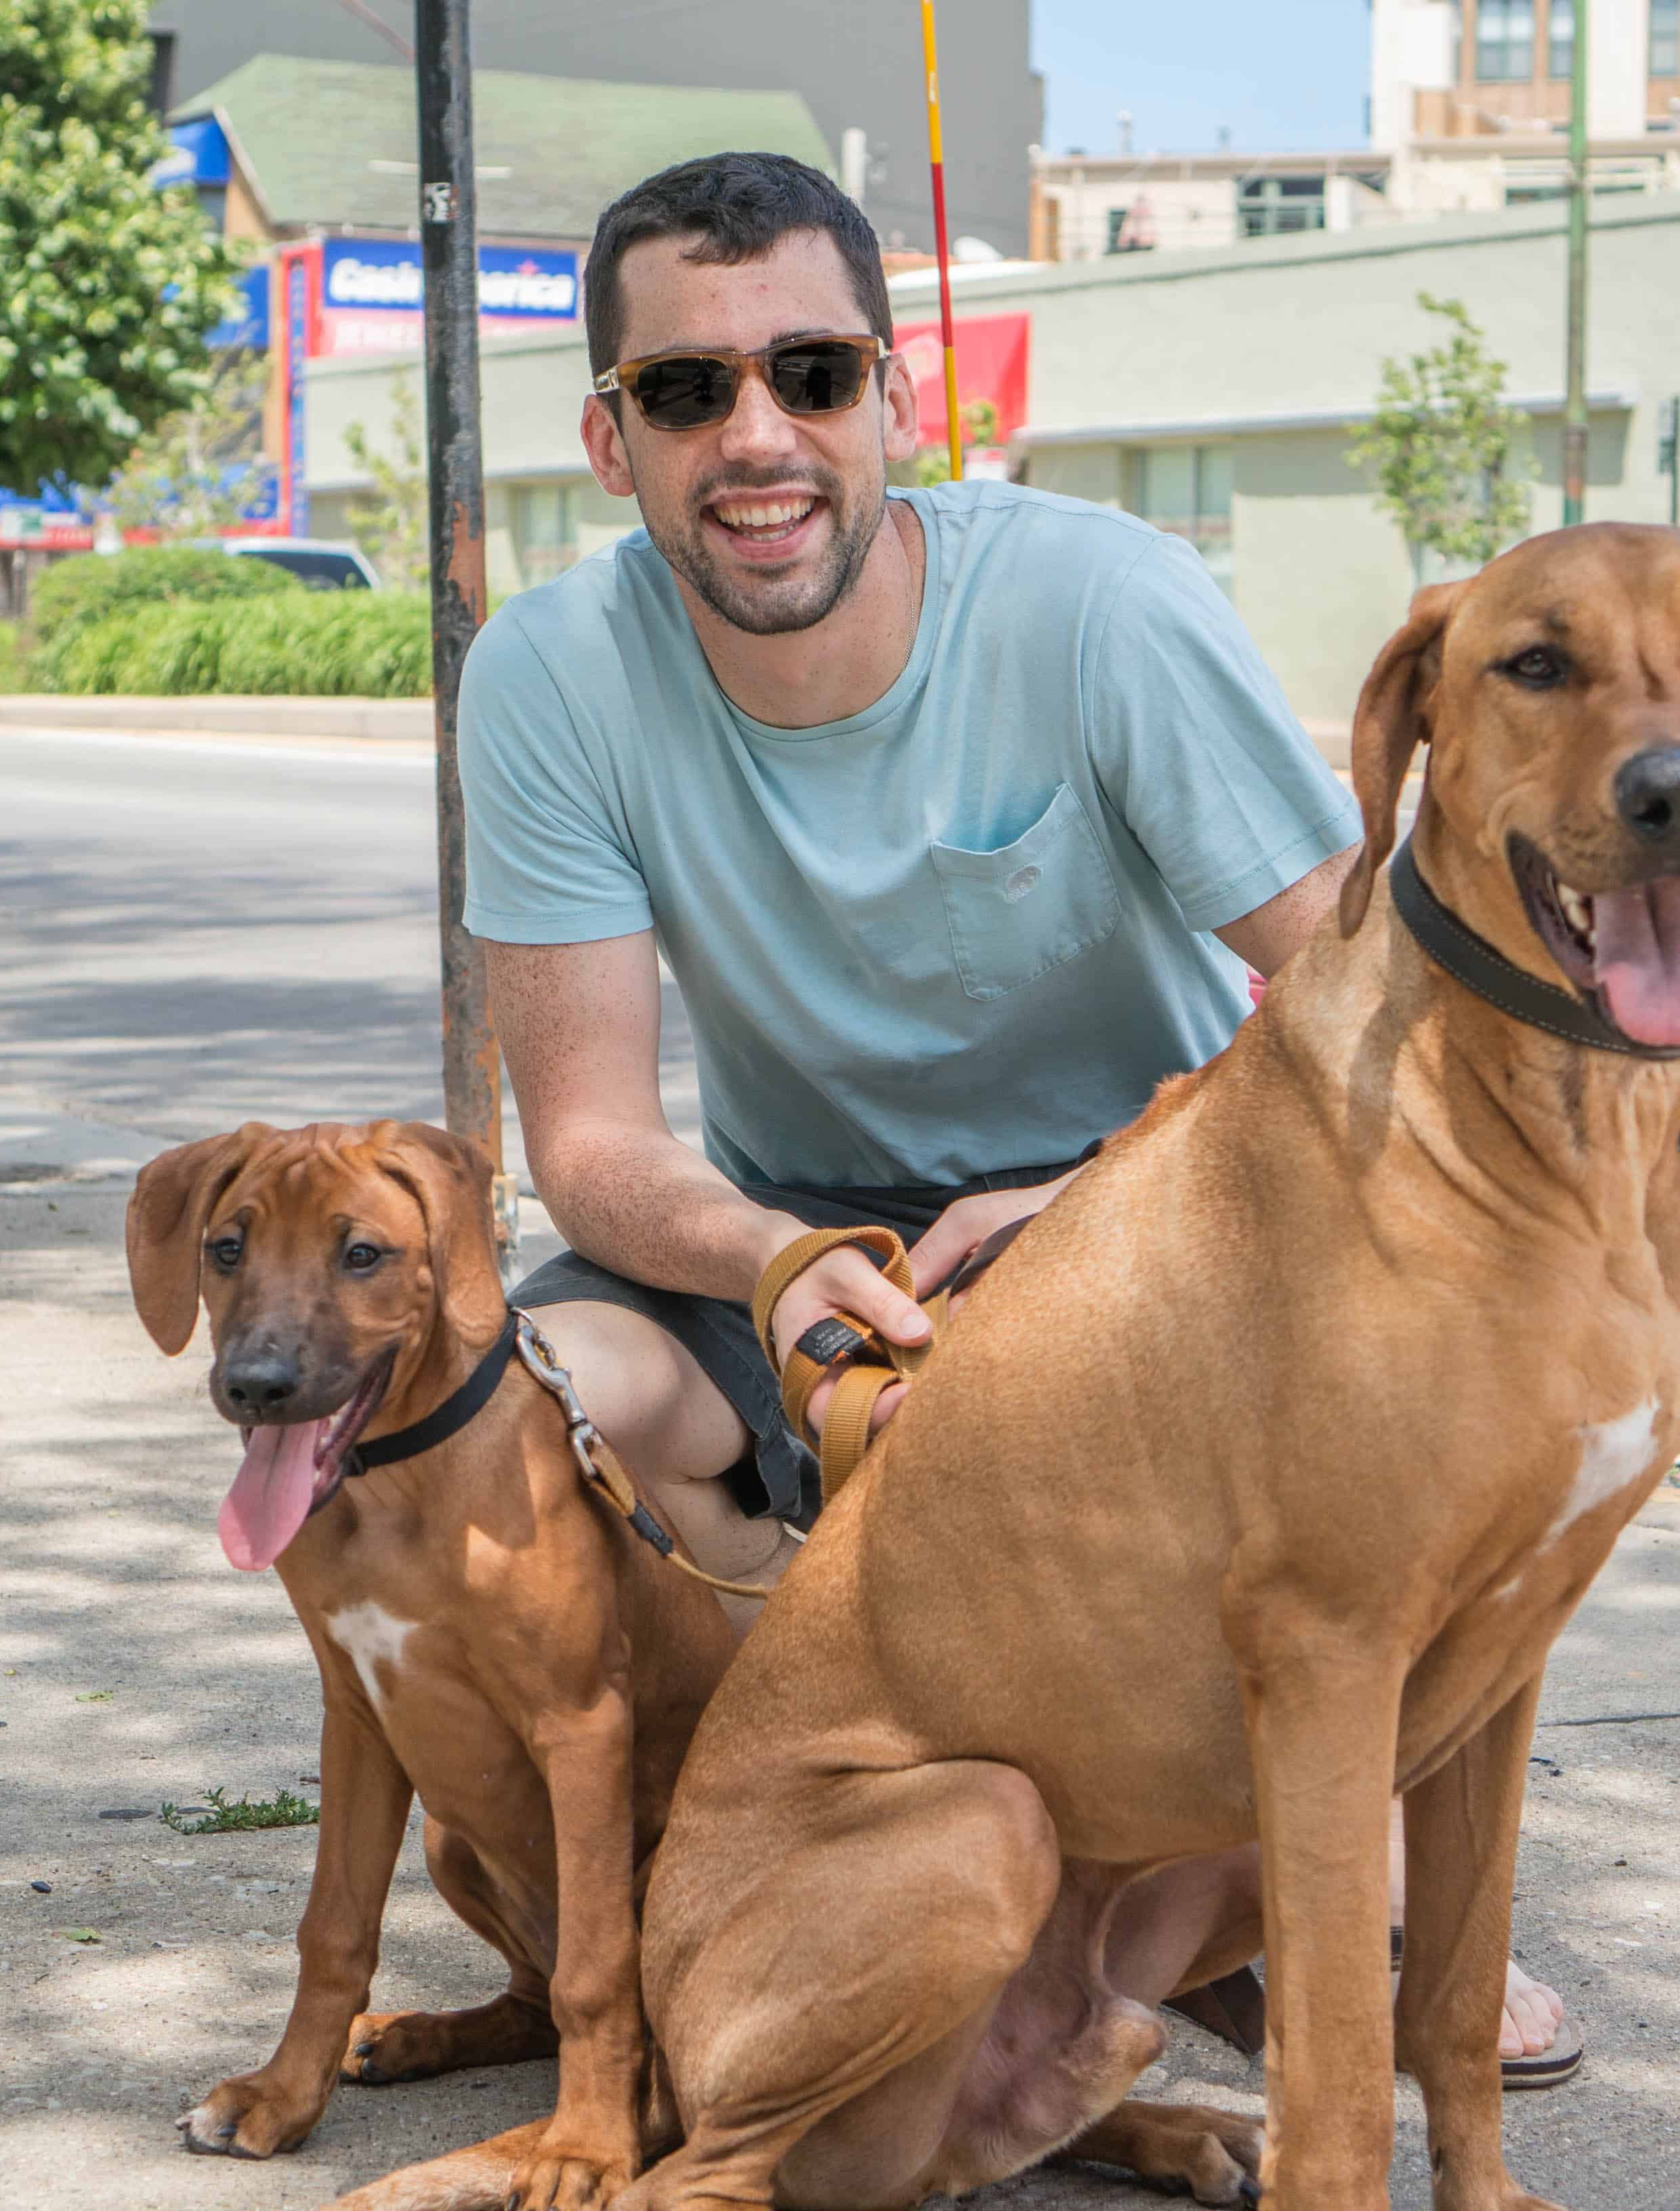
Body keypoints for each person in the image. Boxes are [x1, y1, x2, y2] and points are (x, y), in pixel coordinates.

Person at [457, 150, 1574, 2082]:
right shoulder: (551, 672)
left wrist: (1096, 1200)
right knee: (523, 1404)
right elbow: (590, 1144)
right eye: (685, 390)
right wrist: (780, 1258)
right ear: (609, 436)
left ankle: (1276, 1900)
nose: (756, 435)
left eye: (810, 374)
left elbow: (1367, 1001)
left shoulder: (1100, 604)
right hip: (789, 1227)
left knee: (1329, 1487)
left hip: (1162, 1214)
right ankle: (661, 1908)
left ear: (896, 396)